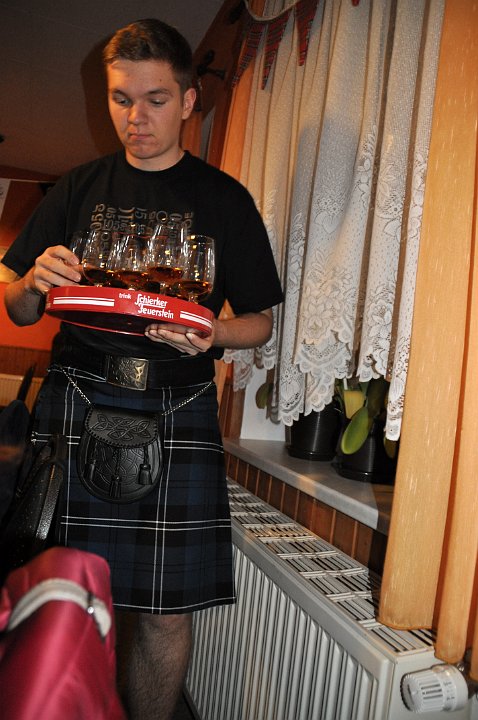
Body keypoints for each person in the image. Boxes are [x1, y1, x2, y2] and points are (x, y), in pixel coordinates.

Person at [1, 17, 283, 720]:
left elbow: (260, 321)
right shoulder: (76, 188)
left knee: (163, 614)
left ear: (187, 100)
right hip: (76, 396)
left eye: (155, 99)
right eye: (121, 98)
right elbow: (20, 309)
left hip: (176, 406)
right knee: (58, 590)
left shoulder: (225, 200)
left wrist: (215, 332)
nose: (135, 117)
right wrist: (31, 282)